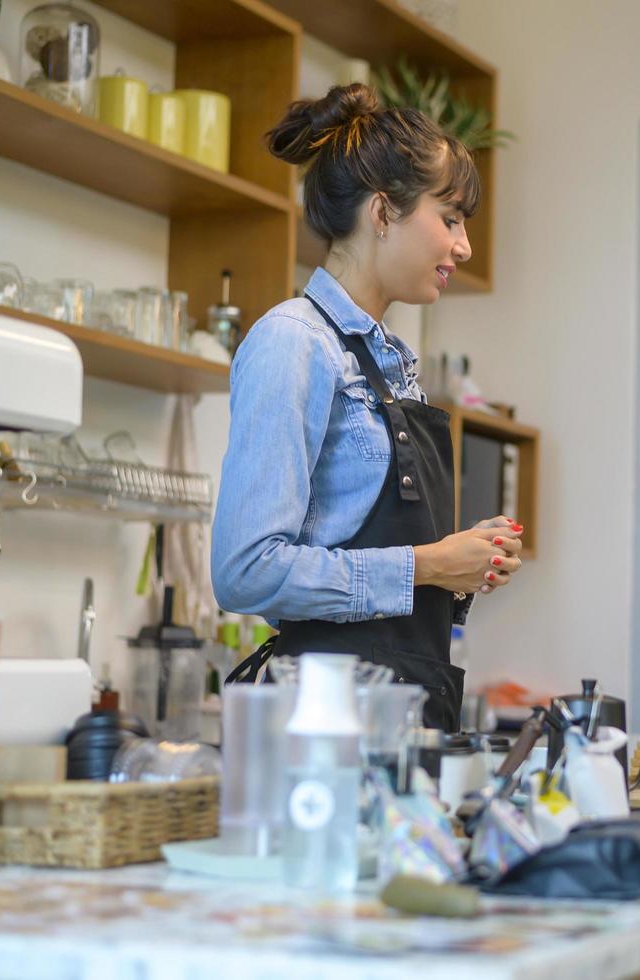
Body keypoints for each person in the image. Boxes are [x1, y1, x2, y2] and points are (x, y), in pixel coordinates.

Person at [211, 83, 523, 731]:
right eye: (451, 218)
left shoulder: (391, 363)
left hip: (394, 717)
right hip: (324, 725)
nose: (462, 248)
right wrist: (430, 564)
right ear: (383, 213)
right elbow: (245, 572)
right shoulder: (293, 340)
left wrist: (462, 566)